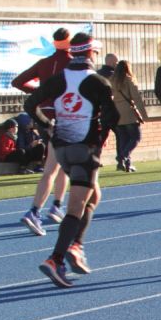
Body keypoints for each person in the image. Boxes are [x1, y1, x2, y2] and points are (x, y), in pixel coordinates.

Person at [26, 33, 119, 288]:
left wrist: (48, 126)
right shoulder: (99, 82)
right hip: (84, 149)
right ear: (91, 53)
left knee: (93, 195)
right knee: (76, 206)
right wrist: (100, 137)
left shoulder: (58, 80)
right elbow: (112, 117)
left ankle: (76, 245)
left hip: (62, 148)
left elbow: (30, 103)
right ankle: (56, 258)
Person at [12, 27, 73, 235]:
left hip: (42, 115)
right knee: (57, 166)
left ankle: (55, 205)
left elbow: (18, 82)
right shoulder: (71, 64)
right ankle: (44, 208)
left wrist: (40, 94)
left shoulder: (44, 63)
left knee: (56, 164)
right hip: (61, 117)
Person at [109, 60, 147, 172]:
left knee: (123, 139)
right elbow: (136, 98)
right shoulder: (128, 80)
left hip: (116, 112)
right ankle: (123, 155)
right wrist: (144, 114)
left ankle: (126, 164)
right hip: (128, 112)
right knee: (136, 137)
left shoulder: (111, 80)